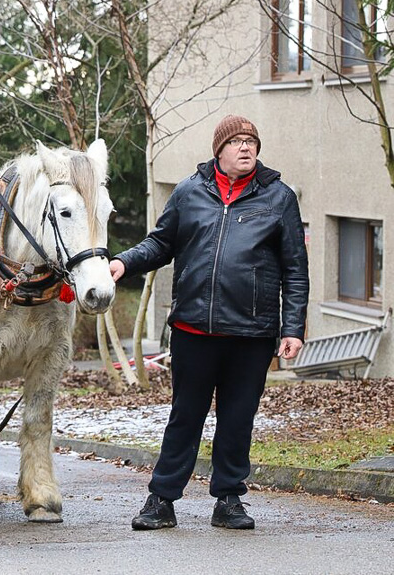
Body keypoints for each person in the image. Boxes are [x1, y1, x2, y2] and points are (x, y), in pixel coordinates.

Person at [110, 115, 309, 530]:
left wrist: (292, 327)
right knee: (186, 415)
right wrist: (123, 262)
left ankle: (229, 500)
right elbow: (161, 243)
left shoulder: (278, 197)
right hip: (193, 329)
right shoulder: (189, 191)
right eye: (236, 141)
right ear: (218, 149)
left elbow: (295, 268)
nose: (245, 148)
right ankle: (161, 500)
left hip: (251, 333)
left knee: (238, 417)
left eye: (251, 141)